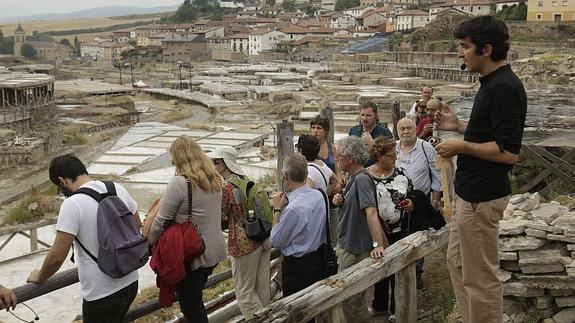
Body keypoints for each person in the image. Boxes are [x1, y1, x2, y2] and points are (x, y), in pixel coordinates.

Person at [435, 16, 527, 323]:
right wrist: (458, 126)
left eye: (464, 46)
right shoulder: (491, 84)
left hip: (482, 199)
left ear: (486, 49)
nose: (460, 53)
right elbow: (491, 133)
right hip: (470, 195)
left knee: (481, 279)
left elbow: (508, 152)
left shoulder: (503, 88)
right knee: (458, 264)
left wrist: (460, 146)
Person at [27, 154, 139, 323]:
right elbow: (136, 224)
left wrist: (40, 276)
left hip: (102, 292)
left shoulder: (72, 204)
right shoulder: (116, 188)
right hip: (130, 280)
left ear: (61, 181)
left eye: (59, 187)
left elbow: (57, 257)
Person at [149, 137, 226, 323]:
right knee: (195, 299)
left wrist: (150, 240)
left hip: (193, 254)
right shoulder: (216, 179)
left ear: (178, 159)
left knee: (191, 307)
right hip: (213, 250)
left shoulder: (181, 183)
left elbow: (162, 220)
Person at [208, 146, 271, 320]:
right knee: (261, 288)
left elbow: (219, 216)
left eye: (216, 162)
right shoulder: (244, 179)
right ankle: (272, 316)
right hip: (260, 238)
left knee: (244, 292)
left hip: (243, 245)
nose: (212, 165)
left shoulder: (226, 187)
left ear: (225, 164)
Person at [332, 136, 388, 322]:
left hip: (355, 249)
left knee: (352, 300)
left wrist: (377, 244)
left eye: (339, 157)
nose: (337, 161)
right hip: (349, 244)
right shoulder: (354, 179)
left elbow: (371, 212)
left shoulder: (362, 180)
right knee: (352, 300)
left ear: (350, 158)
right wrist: (341, 201)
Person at [366, 137, 414, 318]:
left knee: (398, 269)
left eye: (396, 153)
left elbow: (412, 193)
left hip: (401, 230)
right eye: (391, 155)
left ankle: (396, 308)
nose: (395, 157)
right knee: (379, 269)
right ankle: (378, 304)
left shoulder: (402, 173)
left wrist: (411, 203)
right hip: (377, 232)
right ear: (379, 156)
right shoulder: (366, 177)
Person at [271, 154, 327, 298]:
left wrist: (277, 209)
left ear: (285, 176)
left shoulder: (293, 209)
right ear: (306, 174)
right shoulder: (319, 195)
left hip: (297, 267)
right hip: (318, 259)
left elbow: (276, 240)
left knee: (297, 309)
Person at [396, 117, 442, 289]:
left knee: (418, 236)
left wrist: (436, 200)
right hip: (397, 203)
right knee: (400, 236)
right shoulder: (393, 148)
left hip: (420, 201)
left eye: (409, 128)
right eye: (402, 129)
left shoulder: (425, 148)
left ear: (415, 129)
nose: (406, 132)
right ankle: (401, 274)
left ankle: (416, 275)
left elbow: (437, 175)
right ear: (398, 130)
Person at [348, 101, 393, 167]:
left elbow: (389, 157)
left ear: (375, 115)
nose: (364, 118)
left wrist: (372, 143)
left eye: (368, 115)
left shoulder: (385, 134)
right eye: (362, 115)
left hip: (377, 172)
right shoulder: (353, 131)